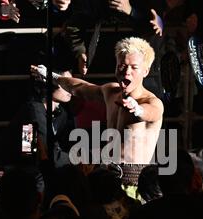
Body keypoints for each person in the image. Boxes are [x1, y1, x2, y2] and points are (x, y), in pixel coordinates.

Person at [53, 37, 164, 185]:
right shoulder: (110, 91)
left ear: (146, 71)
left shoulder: (151, 101)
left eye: (134, 67)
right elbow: (79, 88)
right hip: (107, 174)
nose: (127, 72)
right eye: (122, 66)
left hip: (134, 180)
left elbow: (153, 112)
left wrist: (138, 110)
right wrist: (53, 77)